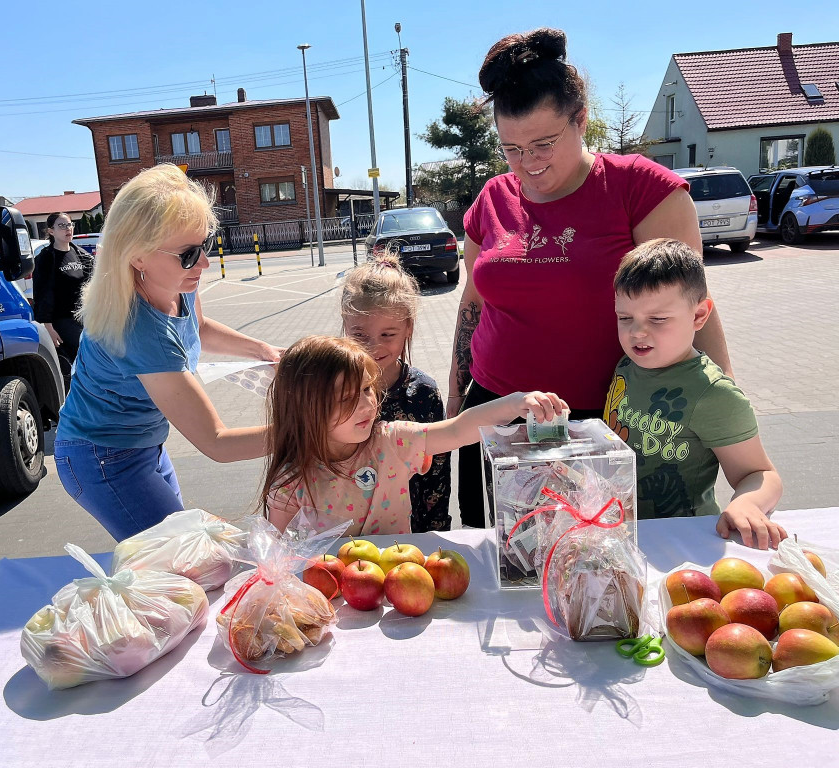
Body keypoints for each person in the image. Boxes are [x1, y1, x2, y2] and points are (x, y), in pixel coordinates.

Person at [448, 27, 734, 527]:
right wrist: (456, 411)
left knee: (593, 569)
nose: (527, 165)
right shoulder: (492, 198)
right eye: (511, 148)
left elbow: (691, 309)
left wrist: (726, 409)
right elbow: (473, 306)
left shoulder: (641, 190)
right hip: (495, 415)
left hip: (603, 422)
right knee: (499, 567)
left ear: (581, 119)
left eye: (542, 144)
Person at [54, 165, 281, 541]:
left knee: (180, 562)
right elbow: (217, 442)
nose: (204, 264)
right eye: (189, 254)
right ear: (137, 257)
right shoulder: (141, 331)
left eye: (205, 244)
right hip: (102, 459)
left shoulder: (177, 280)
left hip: (144, 445)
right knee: (181, 564)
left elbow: (200, 329)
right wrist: (312, 433)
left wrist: (263, 349)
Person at [263, 335, 567, 536]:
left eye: (368, 389)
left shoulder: (392, 441)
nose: (367, 404)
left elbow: (458, 429)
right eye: (346, 398)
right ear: (305, 410)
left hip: (401, 587)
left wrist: (515, 403)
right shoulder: (292, 483)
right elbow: (281, 562)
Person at [605, 238, 784, 549]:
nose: (637, 332)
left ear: (699, 316)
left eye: (657, 319)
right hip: (619, 535)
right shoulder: (626, 365)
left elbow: (761, 473)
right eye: (625, 318)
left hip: (683, 543)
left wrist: (746, 504)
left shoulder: (714, 394)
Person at [340, 253, 451, 532]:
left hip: (408, 539)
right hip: (343, 534)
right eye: (360, 335)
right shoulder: (331, 389)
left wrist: (435, 534)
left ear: (408, 328)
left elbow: (436, 475)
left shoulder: (423, 393)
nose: (373, 347)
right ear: (344, 324)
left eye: (388, 335)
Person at [33, 212, 91, 387]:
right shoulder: (45, 259)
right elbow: (42, 294)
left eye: (70, 224)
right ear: (51, 231)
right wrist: (48, 327)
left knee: (95, 358)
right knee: (84, 359)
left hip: (85, 318)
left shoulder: (79, 253)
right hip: (63, 320)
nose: (68, 229)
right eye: (62, 226)